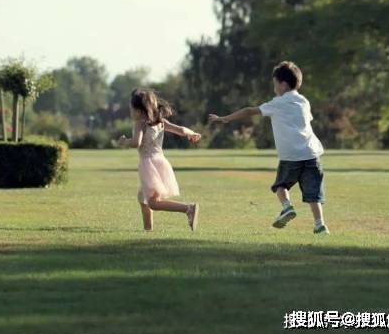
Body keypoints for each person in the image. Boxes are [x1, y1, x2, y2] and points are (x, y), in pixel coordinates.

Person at [209, 61, 329, 234]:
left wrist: (225, 118)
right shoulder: (304, 101)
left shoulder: (277, 103)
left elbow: (250, 111)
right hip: (311, 154)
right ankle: (320, 225)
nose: (274, 88)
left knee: (281, 185)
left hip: (291, 156)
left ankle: (287, 207)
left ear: (283, 84)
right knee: (314, 194)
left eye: (275, 84)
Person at [117, 88, 202, 231]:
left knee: (153, 203)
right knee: (142, 198)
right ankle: (148, 230)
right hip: (160, 162)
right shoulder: (160, 122)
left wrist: (124, 141)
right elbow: (181, 130)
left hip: (148, 165)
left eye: (131, 109)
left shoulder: (140, 123)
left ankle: (188, 209)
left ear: (139, 110)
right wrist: (192, 133)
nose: (130, 112)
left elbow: (136, 143)